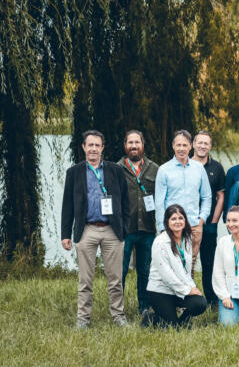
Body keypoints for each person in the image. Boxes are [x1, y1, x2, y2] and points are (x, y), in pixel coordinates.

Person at [61, 130, 129, 329]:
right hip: (87, 230)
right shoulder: (74, 172)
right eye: (89, 145)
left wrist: (123, 228)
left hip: (111, 230)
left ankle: (118, 316)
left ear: (102, 148)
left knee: (115, 279)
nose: (93, 149)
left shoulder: (115, 170)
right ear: (83, 147)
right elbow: (67, 205)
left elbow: (125, 201)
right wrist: (66, 234)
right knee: (85, 280)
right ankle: (83, 319)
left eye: (97, 145)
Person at [155, 129, 212, 277]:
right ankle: (173, 299)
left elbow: (207, 196)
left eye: (184, 145)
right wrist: (163, 228)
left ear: (190, 146)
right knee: (173, 264)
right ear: (173, 146)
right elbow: (159, 202)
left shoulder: (198, 168)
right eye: (178, 145)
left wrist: (202, 219)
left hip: (194, 225)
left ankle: (188, 297)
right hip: (172, 226)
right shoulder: (164, 170)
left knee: (190, 264)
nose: (181, 148)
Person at [144, 204, 208, 328]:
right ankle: (150, 317)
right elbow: (166, 275)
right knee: (171, 328)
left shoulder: (187, 239)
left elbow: (186, 271)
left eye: (180, 218)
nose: (177, 222)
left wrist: (193, 288)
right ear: (167, 222)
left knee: (200, 303)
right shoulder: (160, 242)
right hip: (160, 290)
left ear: (185, 220)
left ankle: (181, 321)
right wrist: (187, 291)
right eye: (173, 219)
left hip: (178, 290)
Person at [117, 130, 159, 315]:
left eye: (137, 142)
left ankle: (144, 307)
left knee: (145, 271)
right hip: (125, 230)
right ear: (125, 145)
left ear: (143, 145)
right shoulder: (116, 169)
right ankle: (118, 309)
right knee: (121, 271)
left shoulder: (155, 169)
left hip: (148, 229)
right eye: (130, 142)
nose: (134, 146)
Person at [191, 130, 225, 307]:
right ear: (193, 144)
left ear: (210, 146)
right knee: (187, 261)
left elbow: (220, 196)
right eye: (200, 142)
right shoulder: (186, 165)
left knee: (209, 263)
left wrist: (214, 221)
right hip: (187, 223)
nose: (203, 146)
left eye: (206, 143)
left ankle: (211, 299)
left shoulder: (216, 168)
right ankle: (187, 296)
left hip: (209, 224)